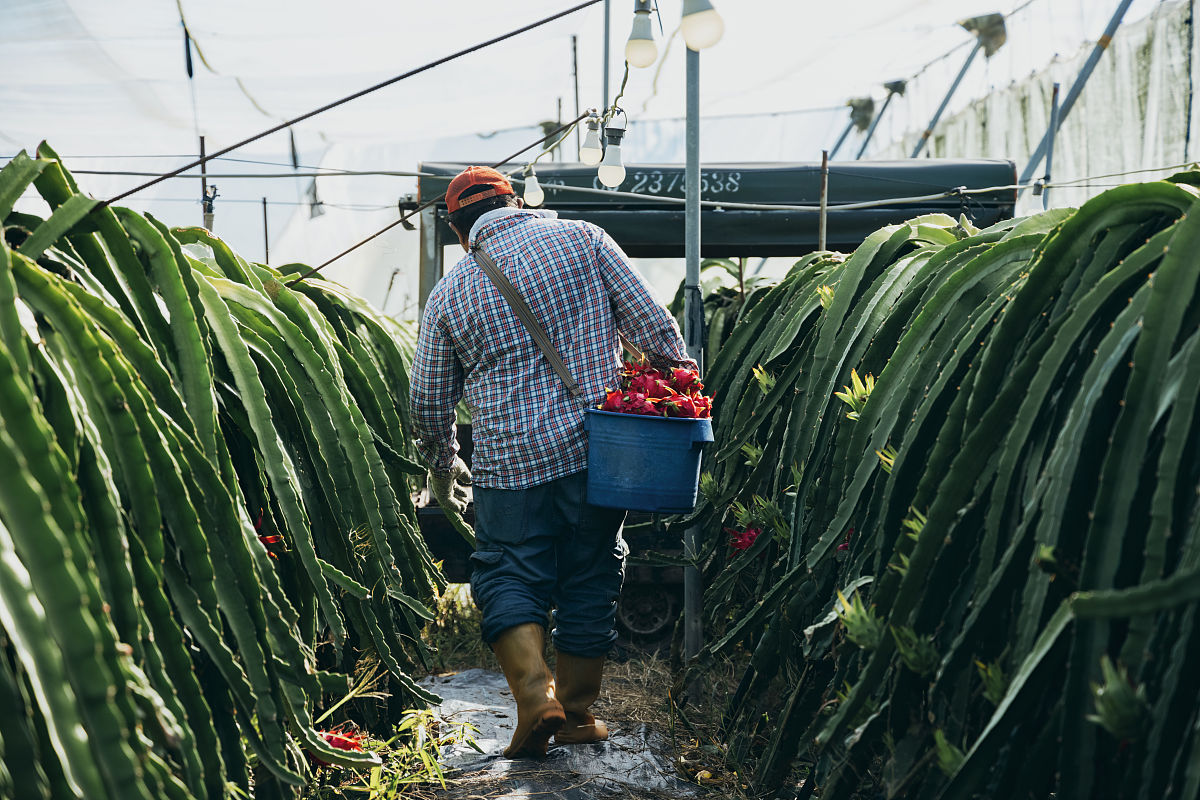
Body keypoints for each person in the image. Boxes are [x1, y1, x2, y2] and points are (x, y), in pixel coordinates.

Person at [409, 165, 693, 759]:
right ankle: (578, 715)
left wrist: (443, 466)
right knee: (591, 570)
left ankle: (537, 699)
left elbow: (429, 402)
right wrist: (677, 398)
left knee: (507, 573)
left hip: (508, 466)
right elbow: (656, 330)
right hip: (600, 454)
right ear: (515, 202)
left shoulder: (449, 294)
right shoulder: (585, 239)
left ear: (459, 231)